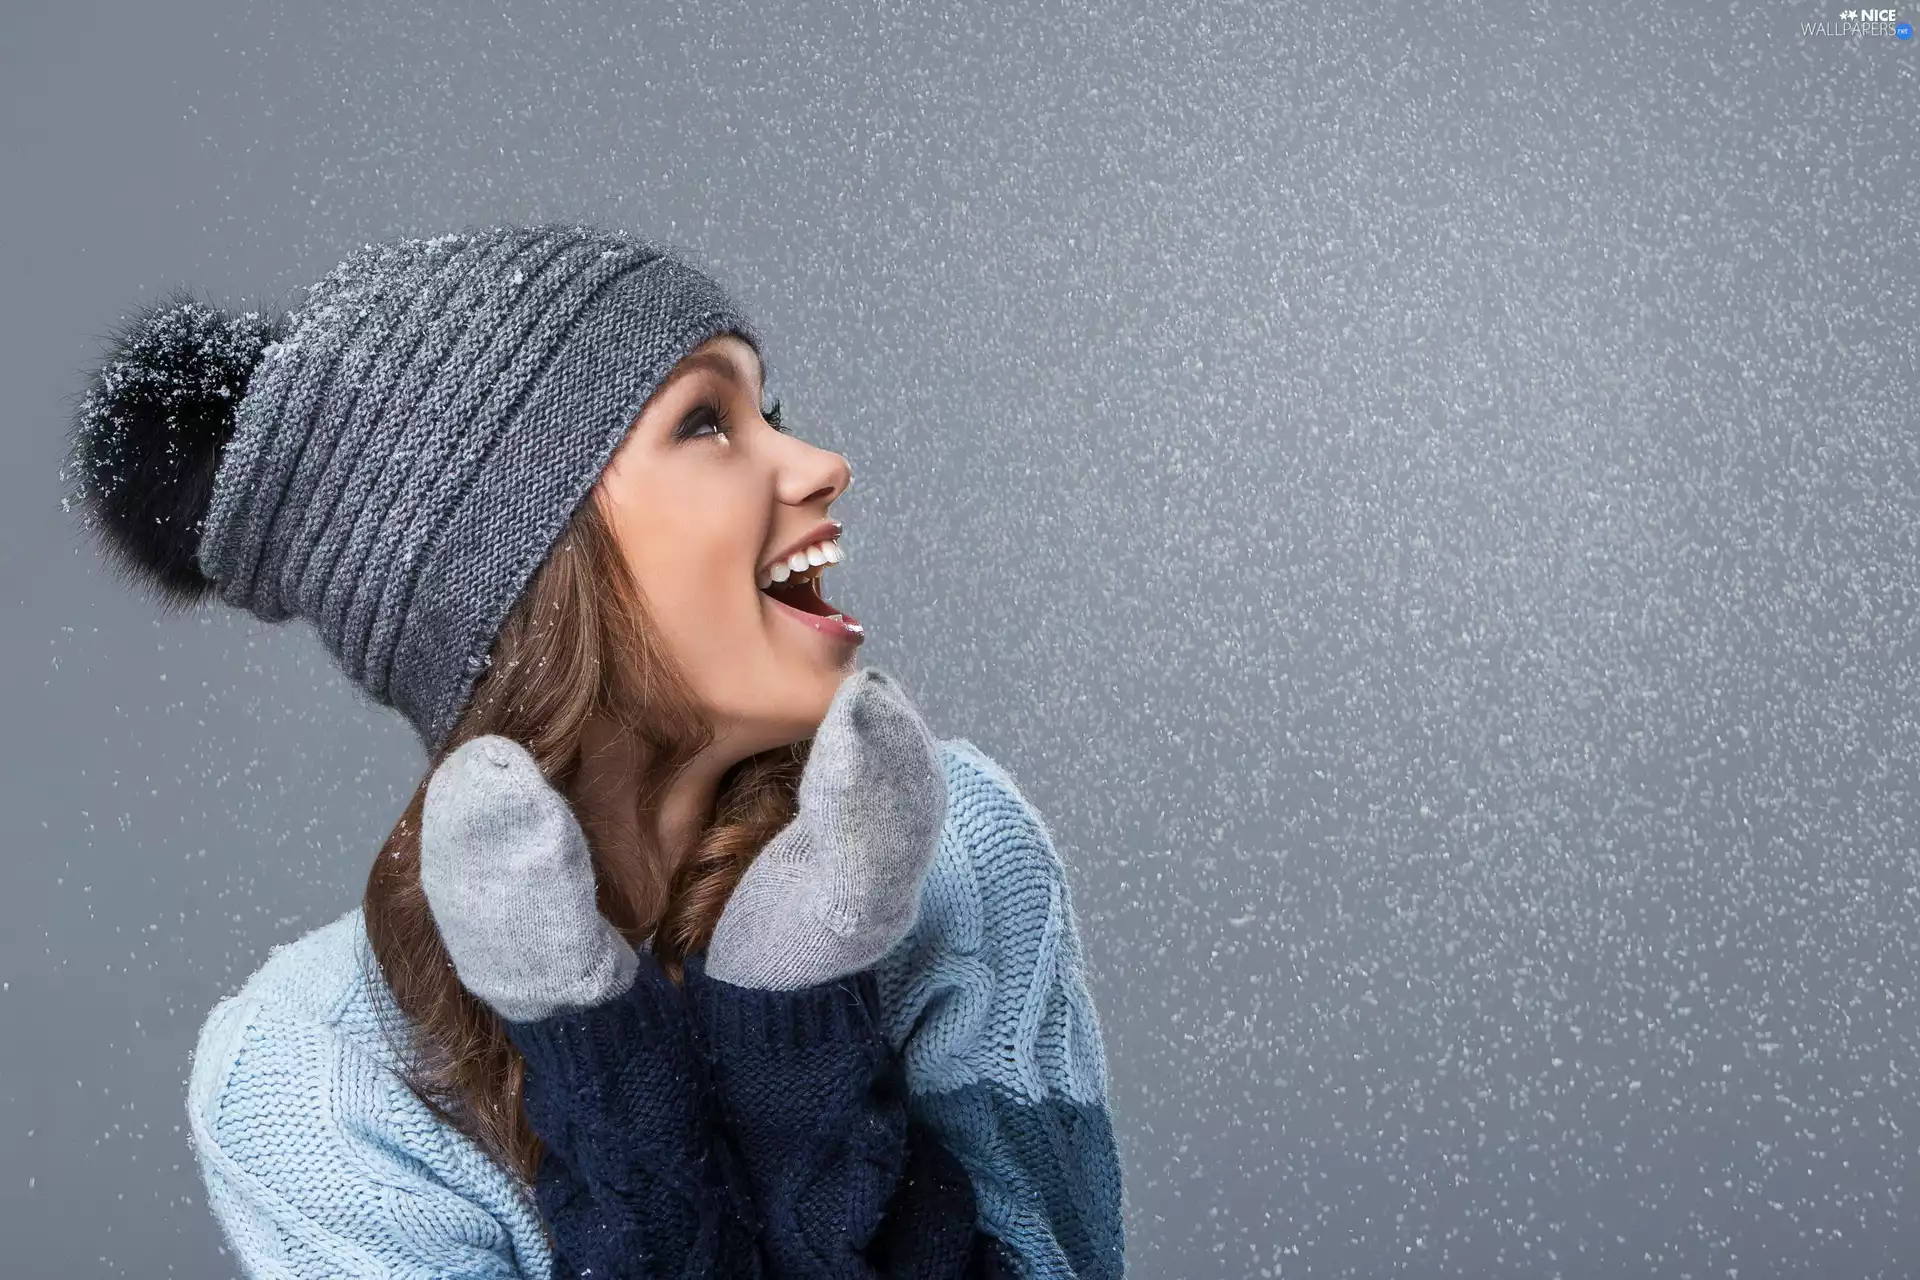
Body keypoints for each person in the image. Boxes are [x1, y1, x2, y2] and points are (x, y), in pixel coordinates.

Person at [64, 223, 1125, 1277]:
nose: (821, 465)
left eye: (774, 411)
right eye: (708, 422)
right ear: (522, 572)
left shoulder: (951, 857)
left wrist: (794, 1034)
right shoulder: (309, 1072)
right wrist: (618, 1091)